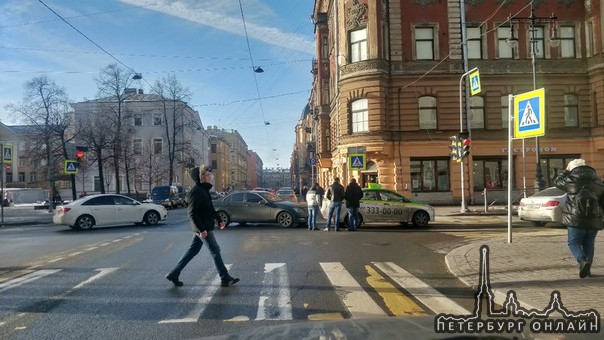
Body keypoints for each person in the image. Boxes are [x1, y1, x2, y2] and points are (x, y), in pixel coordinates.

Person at [166, 166, 239, 287]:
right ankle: (225, 278)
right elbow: (192, 213)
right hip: (203, 227)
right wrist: (201, 229)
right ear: (201, 178)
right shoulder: (196, 191)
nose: (210, 177)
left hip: (204, 226)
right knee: (215, 250)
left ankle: (174, 273)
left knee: (193, 250)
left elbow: (209, 208)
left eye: (210, 175)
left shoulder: (203, 190)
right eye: (207, 175)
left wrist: (219, 218)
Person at [554, 158, 604, 278]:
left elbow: (557, 181)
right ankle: (588, 270)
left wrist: (565, 171)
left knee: (573, 242)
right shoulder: (598, 182)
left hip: (575, 219)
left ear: (572, 169)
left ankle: (582, 261)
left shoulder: (570, 179)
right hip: (593, 219)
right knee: (589, 243)